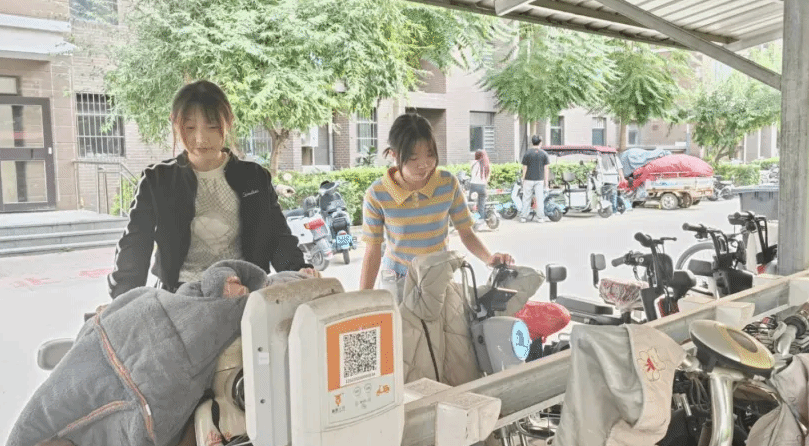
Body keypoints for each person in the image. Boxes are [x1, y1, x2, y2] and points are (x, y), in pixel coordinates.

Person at [108, 79, 310, 299]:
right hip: (181, 296)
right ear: (174, 123)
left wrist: (299, 271)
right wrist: (123, 298)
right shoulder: (158, 180)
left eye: (212, 127)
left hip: (244, 293)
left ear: (229, 121)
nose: (201, 139)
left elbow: (278, 236)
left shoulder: (254, 177)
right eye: (190, 127)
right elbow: (135, 244)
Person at [359, 113, 514, 300]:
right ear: (394, 155)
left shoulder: (447, 184)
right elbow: (373, 250)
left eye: (430, 154)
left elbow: (466, 233)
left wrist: (489, 259)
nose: (424, 164)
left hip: (437, 277)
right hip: (397, 280)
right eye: (413, 158)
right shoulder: (378, 193)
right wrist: (363, 300)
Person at [520, 135, 551, 223]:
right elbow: (546, 169)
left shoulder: (527, 153)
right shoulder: (544, 154)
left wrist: (523, 179)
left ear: (532, 142)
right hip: (539, 180)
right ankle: (540, 217)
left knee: (526, 198)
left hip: (528, 179)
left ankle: (523, 217)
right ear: (540, 143)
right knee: (539, 199)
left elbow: (524, 168)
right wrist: (546, 183)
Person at [468, 149, 491, 228]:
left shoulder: (473, 163)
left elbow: (472, 173)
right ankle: (481, 222)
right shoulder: (486, 164)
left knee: (471, 204)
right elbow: (487, 178)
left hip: (474, 186)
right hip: (483, 187)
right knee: (481, 206)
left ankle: (472, 220)